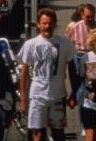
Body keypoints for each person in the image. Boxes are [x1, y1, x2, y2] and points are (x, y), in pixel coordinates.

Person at [17, 8, 78, 141]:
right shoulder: (30, 44)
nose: (47, 26)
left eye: (50, 23)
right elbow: (24, 73)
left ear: (55, 24)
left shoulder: (65, 43)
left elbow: (72, 68)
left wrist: (74, 92)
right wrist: (23, 98)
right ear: (38, 24)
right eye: (44, 23)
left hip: (58, 95)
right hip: (37, 96)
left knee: (58, 133)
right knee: (37, 134)